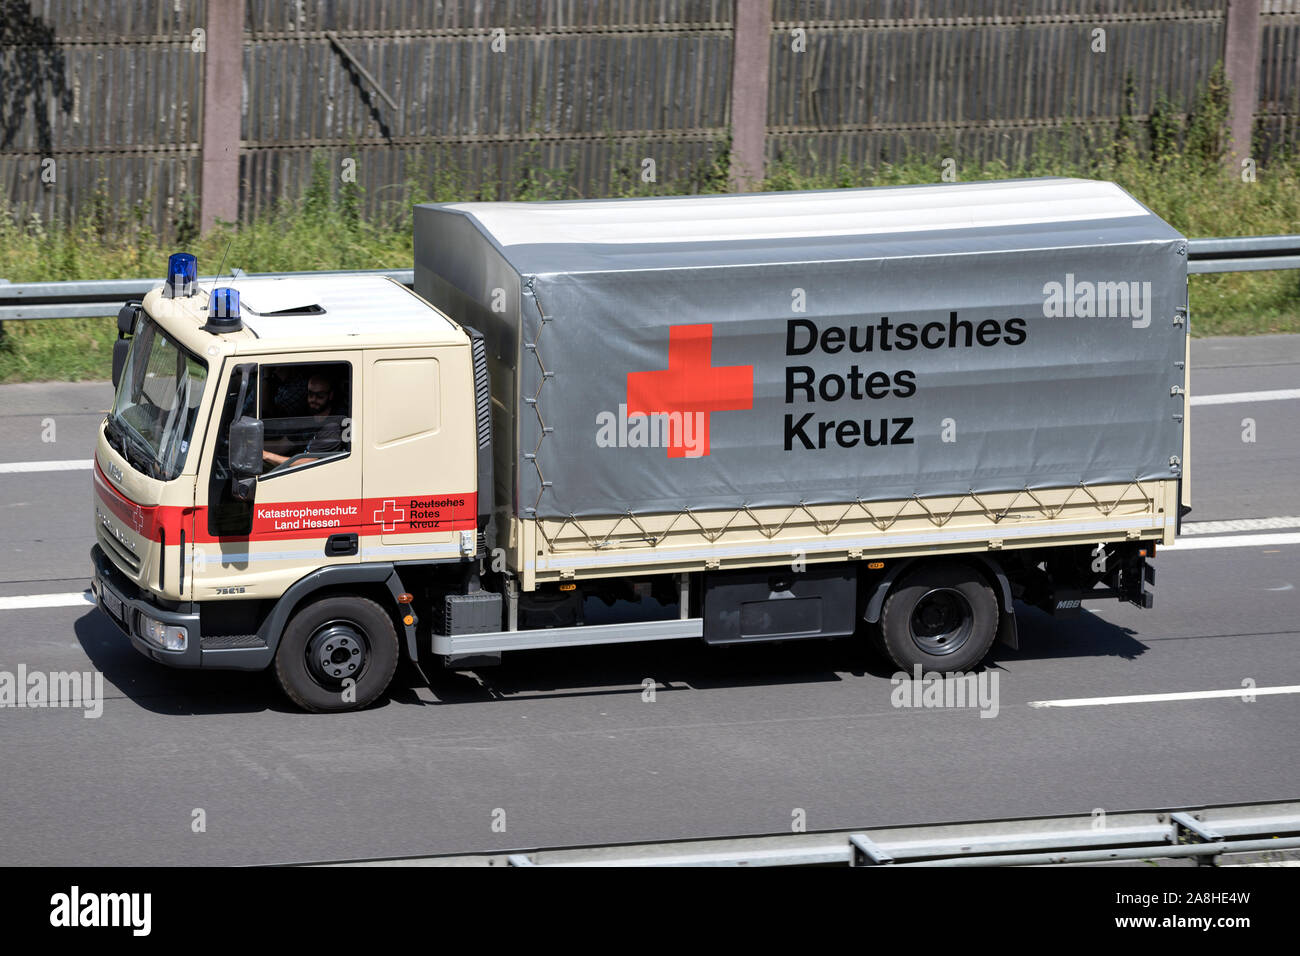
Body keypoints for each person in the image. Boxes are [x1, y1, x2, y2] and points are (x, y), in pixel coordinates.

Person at [263, 373, 345, 469]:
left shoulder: (332, 427)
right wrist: (256, 447)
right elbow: (283, 444)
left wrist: (267, 456)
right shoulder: (307, 417)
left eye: (320, 396)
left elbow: (308, 463)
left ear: (330, 395)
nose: (313, 399)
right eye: (310, 394)